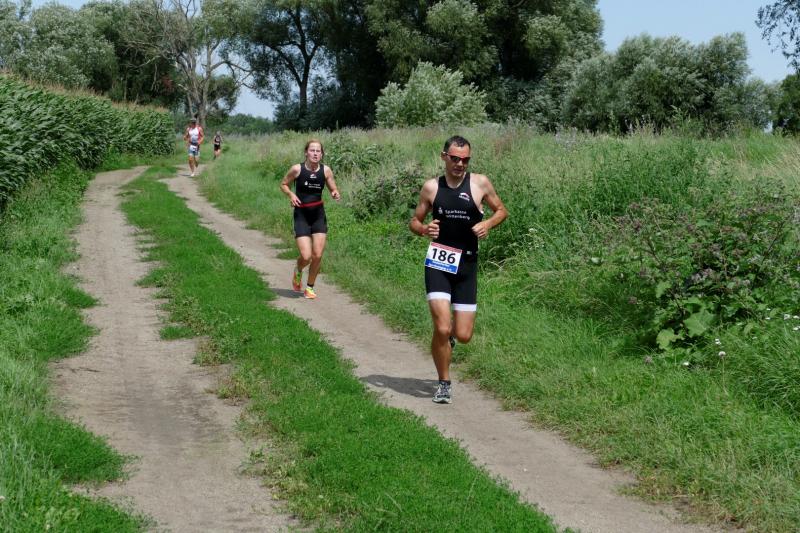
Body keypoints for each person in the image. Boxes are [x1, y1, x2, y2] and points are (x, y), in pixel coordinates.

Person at [409, 135, 508, 404]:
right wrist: (424, 229)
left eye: (465, 160)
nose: (460, 164)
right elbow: (414, 221)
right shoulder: (432, 187)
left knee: (462, 335)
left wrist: (488, 224)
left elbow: (501, 211)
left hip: (467, 264)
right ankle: (444, 383)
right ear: (444, 157)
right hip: (439, 262)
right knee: (442, 327)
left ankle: (446, 339)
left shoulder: (480, 183)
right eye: (455, 159)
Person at [280, 139, 341, 299]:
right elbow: (284, 184)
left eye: (318, 151)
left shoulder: (326, 170)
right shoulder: (297, 169)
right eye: (312, 150)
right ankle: (298, 269)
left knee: (317, 255)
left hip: (318, 216)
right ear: (306, 152)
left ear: (322, 154)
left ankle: (310, 287)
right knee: (306, 256)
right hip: (301, 215)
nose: (315, 153)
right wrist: (291, 194)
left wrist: (335, 193)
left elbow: (333, 187)